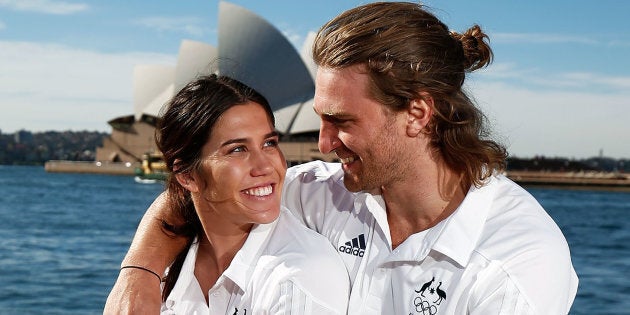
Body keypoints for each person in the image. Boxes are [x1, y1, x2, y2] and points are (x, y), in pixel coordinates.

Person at [105, 2, 578, 314]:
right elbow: (203, 193)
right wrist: (139, 272)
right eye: (321, 119)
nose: (324, 143)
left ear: (417, 112)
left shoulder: (516, 270)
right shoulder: (325, 193)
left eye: (342, 121)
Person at [106, 74, 349, 314]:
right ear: (187, 176)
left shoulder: (299, 278)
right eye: (237, 150)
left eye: (269, 143)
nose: (265, 167)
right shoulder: (162, 270)